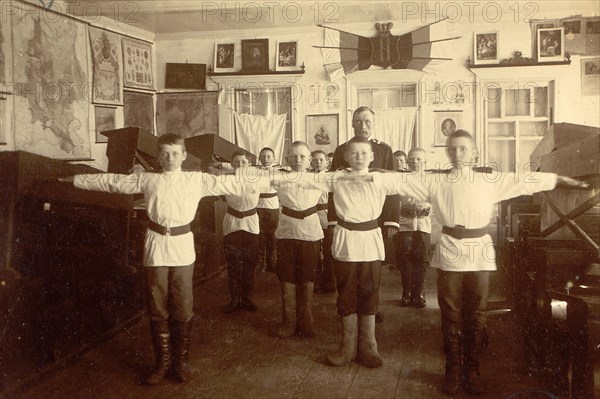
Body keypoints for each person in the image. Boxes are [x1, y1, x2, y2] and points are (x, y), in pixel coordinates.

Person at [358, 129, 589, 395]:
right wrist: (358, 175)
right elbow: (397, 182)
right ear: (447, 152)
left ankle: (473, 369)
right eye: (452, 149)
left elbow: (528, 180)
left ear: (474, 152)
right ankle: (454, 370)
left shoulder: (490, 180)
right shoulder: (434, 182)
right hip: (449, 252)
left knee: (477, 312)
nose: (457, 154)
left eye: (463, 149)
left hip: (479, 252)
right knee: (451, 312)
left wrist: (564, 180)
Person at [59, 134, 262, 385]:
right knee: (157, 304)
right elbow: (112, 181)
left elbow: (232, 183)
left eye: (175, 153)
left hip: (182, 247)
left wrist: (276, 178)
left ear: (184, 155)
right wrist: (76, 180)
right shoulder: (148, 179)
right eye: (164, 153)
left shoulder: (196, 180)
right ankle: (162, 362)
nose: (170, 158)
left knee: (183, 304)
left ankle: (180, 362)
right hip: (156, 246)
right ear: (158, 156)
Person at [328, 106, 399, 323]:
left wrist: (391, 220)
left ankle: (370, 310)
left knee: (371, 271)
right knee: (348, 272)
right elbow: (333, 189)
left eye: (367, 122)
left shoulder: (384, 151)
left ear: (373, 124)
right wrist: (332, 220)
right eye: (358, 122)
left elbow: (393, 189)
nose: (363, 126)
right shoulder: (343, 150)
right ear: (351, 123)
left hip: (374, 218)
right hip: (348, 216)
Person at [271, 142, 326, 339]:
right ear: (286, 160)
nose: (297, 161)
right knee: (286, 276)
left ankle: (306, 319)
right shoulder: (278, 178)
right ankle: (288, 320)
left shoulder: (319, 178)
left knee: (307, 276)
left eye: (302, 157)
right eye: (293, 157)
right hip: (286, 232)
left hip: (310, 232)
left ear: (310, 159)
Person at [219, 150, 262, 314]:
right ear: (231, 164)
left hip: (251, 223)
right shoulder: (226, 180)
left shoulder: (258, 179)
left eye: (243, 162)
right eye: (236, 162)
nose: (240, 165)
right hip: (232, 223)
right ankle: (234, 299)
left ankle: (247, 298)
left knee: (250, 263)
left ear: (249, 164)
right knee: (233, 263)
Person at [395, 147, 432, 308]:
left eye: (418, 159)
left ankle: (420, 292)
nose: (415, 162)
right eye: (412, 159)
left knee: (422, 259)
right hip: (405, 223)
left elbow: (436, 200)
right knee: (405, 259)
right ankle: (407, 292)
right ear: (407, 161)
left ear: (424, 162)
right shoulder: (401, 178)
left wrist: (427, 209)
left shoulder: (431, 179)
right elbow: (395, 200)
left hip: (423, 224)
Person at [310, 150, 335, 294]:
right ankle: (316, 281)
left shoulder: (331, 177)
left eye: (321, 160)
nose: (318, 163)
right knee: (314, 252)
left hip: (328, 217)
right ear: (310, 161)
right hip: (312, 216)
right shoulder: (307, 177)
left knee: (328, 251)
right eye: (315, 160)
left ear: (326, 161)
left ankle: (330, 282)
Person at [256, 147, 279, 272]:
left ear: (274, 158)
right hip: (258, 206)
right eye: (263, 156)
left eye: (269, 156)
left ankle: (272, 262)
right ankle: (260, 262)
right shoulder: (253, 172)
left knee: (272, 236)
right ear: (259, 158)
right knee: (260, 236)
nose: (266, 159)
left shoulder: (278, 172)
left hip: (272, 208)